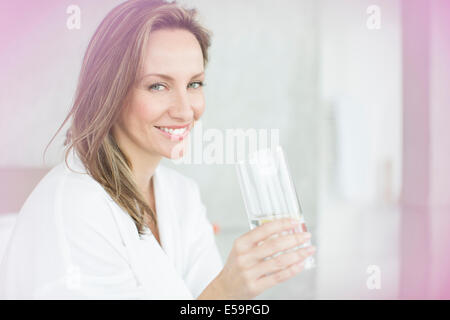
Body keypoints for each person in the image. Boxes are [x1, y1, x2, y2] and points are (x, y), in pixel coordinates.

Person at [0, 0, 315, 299]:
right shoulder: (74, 209)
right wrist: (228, 291)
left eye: (194, 84)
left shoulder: (180, 196)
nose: (184, 110)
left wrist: (239, 290)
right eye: (157, 86)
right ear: (110, 93)